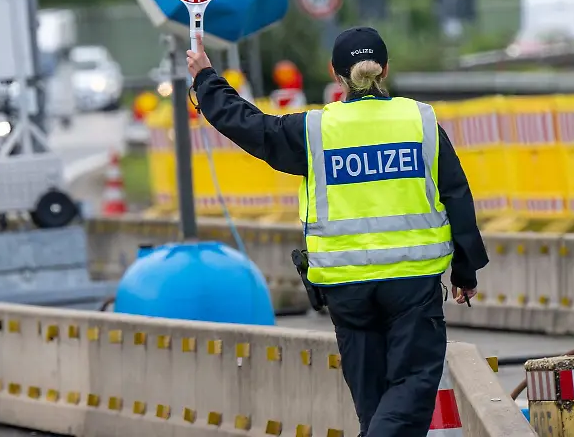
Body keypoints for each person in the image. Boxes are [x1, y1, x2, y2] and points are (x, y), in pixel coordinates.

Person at [186, 27, 489, 437]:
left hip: (346, 287)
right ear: (385, 69)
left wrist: (206, 79)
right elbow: (456, 194)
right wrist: (465, 271)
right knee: (411, 389)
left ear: (335, 73)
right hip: (412, 285)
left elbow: (249, 125)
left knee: (373, 400)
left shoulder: (314, 131)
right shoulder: (420, 120)